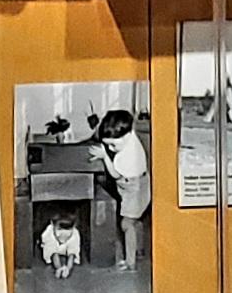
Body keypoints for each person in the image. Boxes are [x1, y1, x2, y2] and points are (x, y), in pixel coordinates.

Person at [92, 109, 150, 273]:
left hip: (131, 188)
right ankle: (138, 250)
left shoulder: (125, 157)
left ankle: (130, 263)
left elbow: (115, 174)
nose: (111, 148)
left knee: (126, 224)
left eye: (113, 145)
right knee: (136, 219)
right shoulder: (131, 136)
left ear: (126, 134)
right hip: (143, 182)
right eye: (108, 145)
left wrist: (104, 156)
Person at [38, 209, 82, 282]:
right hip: (52, 246)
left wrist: (68, 269)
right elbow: (53, 253)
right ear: (52, 225)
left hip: (65, 248)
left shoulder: (75, 234)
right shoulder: (49, 233)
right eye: (59, 229)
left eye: (68, 230)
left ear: (74, 227)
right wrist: (59, 268)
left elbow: (72, 253)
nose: (63, 234)